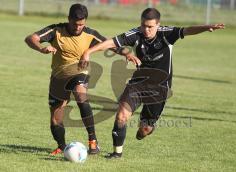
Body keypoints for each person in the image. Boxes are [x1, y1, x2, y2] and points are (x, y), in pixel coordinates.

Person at [80, 8, 225, 158]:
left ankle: (146, 128)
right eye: (144, 25)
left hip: (160, 88)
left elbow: (187, 30)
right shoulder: (136, 34)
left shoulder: (167, 34)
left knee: (144, 130)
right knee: (122, 115)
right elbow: (110, 42)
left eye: (150, 27)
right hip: (138, 83)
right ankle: (117, 154)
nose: (146, 30)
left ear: (158, 25)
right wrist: (88, 52)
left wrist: (206, 27)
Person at [24, 3, 139, 156]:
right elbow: (30, 38)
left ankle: (93, 142)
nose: (78, 27)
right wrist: (41, 48)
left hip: (79, 72)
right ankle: (62, 146)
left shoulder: (90, 34)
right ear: (68, 19)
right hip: (59, 77)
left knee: (81, 95)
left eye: (81, 24)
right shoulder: (56, 30)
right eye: (75, 24)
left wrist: (126, 53)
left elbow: (109, 44)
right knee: (55, 118)